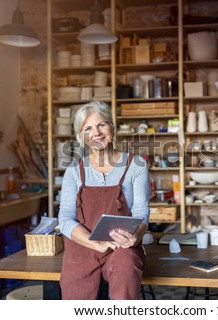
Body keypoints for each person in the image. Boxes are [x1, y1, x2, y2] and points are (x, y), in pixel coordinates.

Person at [58, 101, 150, 300]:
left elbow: (141, 210)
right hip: (83, 248)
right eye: (88, 128)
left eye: (101, 124)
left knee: (126, 265)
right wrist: (96, 244)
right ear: (81, 136)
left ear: (112, 127)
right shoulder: (74, 171)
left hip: (121, 247)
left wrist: (136, 236)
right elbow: (65, 219)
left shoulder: (136, 165)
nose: (97, 133)